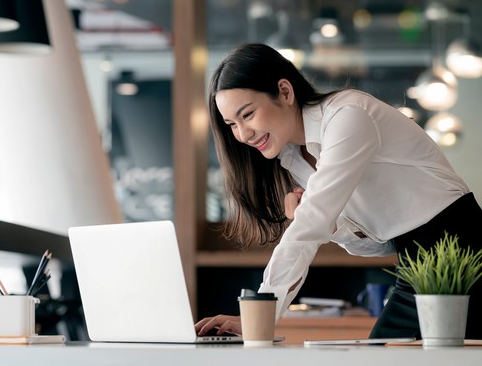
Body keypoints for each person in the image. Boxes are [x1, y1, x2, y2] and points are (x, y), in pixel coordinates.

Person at [194, 42, 482, 340]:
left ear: (285, 91)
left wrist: (261, 313)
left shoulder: (348, 116)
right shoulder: (295, 159)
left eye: (248, 114)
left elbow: (308, 229)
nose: (243, 134)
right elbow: (380, 244)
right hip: (415, 259)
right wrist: (326, 225)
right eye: (232, 124)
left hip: (462, 248)